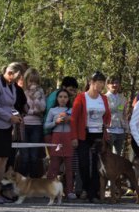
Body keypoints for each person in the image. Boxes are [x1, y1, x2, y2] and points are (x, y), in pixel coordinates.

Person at [71, 71, 111, 203]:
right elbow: (74, 119)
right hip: (84, 133)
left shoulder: (103, 98)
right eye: (99, 83)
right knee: (83, 163)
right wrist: (74, 137)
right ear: (91, 83)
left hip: (98, 134)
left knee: (96, 164)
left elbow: (107, 115)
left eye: (103, 83)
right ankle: (87, 189)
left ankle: (93, 193)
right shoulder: (81, 97)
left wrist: (106, 124)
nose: (101, 86)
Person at [0, 62, 22, 204]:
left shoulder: (11, 85)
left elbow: (10, 105)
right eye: (17, 77)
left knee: (4, 160)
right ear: (10, 73)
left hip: (7, 127)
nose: (17, 80)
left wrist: (16, 115)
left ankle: (0, 191)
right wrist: (9, 117)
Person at [44, 88, 75, 199]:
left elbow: (77, 124)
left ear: (68, 99)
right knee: (54, 165)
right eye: (60, 97)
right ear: (57, 98)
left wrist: (70, 120)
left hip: (68, 138)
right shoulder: (52, 110)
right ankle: (48, 189)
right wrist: (55, 122)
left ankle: (69, 191)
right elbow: (46, 125)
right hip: (56, 138)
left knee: (69, 166)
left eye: (65, 97)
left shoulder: (72, 110)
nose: (63, 99)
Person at [18, 67, 45, 178]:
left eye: (35, 81)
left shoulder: (40, 92)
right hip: (24, 125)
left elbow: (42, 108)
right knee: (24, 157)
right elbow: (22, 108)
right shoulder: (21, 91)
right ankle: (22, 181)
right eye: (31, 81)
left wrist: (36, 98)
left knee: (34, 157)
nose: (33, 84)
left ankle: (34, 182)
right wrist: (34, 112)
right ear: (26, 80)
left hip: (36, 126)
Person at [105, 76, 128, 156]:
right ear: (108, 85)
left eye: (117, 83)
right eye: (112, 83)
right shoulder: (104, 98)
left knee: (118, 156)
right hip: (109, 130)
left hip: (121, 130)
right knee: (108, 155)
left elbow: (124, 114)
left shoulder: (123, 98)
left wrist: (126, 128)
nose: (115, 85)